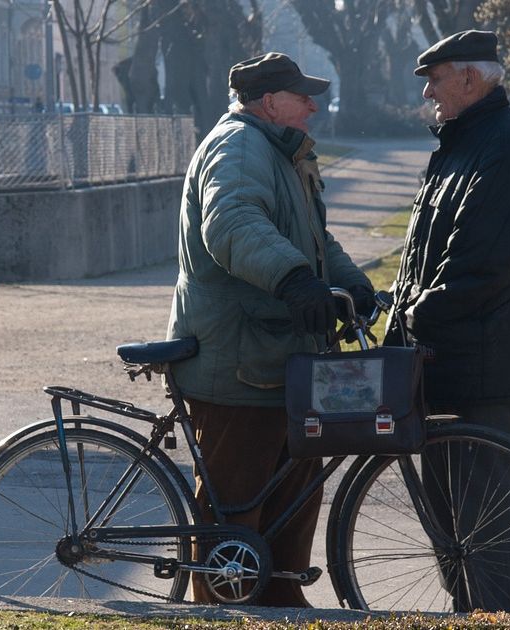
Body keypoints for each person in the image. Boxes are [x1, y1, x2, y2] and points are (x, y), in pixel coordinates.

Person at [166, 52, 374, 607]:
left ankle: (282, 600)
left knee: (295, 490)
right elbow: (231, 223)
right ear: (268, 102)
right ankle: (223, 610)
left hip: (281, 359)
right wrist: (294, 281)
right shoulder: (237, 148)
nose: (314, 104)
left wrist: (355, 287)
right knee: (236, 506)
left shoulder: (282, 153)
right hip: (238, 362)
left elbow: (316, 241)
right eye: (302, 95)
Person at [384, 30, 510, 612]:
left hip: (481, 363)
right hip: (444, 360)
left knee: (485, 527)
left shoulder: (504, 146)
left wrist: (413, 311)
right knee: (451, 527)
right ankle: (470, 615)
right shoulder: (460, 143)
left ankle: (503, 619)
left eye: (435, 78)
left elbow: (480, 264)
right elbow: (426, 252)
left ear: (470, 79)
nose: (428, 91)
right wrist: (398, 307)